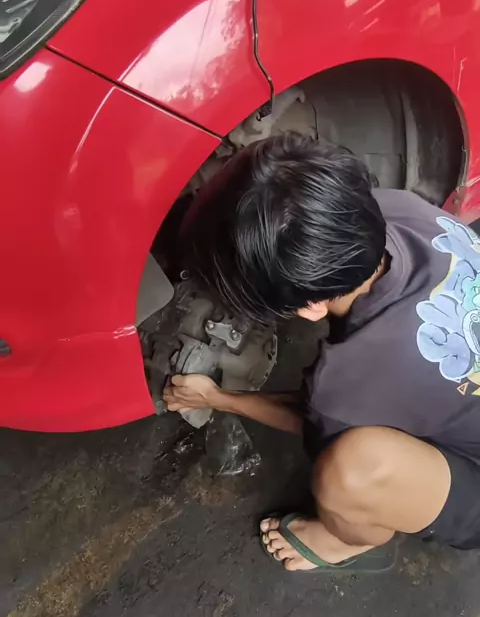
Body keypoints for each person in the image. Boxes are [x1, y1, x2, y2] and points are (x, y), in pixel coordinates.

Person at [163, 132, 480, 573]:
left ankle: (350, 541)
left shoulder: (347, 385)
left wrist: (218, 398)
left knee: (349, 473)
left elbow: (309, 417)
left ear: (311, 306)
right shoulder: (399, 207)